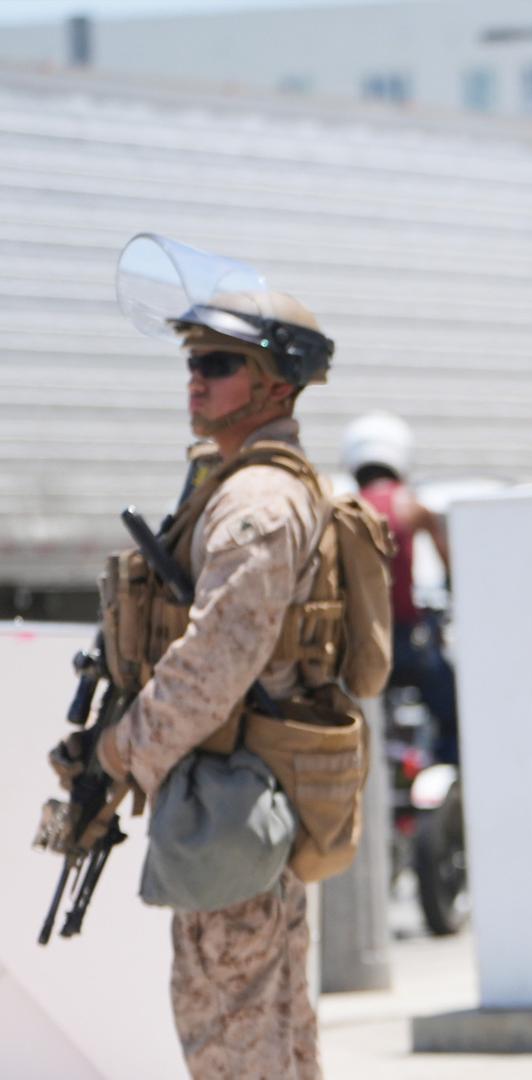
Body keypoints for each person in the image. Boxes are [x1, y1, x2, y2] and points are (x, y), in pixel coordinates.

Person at [56, 236, 360, 1078]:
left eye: (220, 362)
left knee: (235, 1046)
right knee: (274, 1041)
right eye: (192, 359)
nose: (196, 378)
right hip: (233, 802)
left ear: (275, 383)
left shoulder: (257, 504)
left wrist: (116, 754)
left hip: (232, 804)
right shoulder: (235, 486)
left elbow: (212, 664)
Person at [343, 411, 459, 764]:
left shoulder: (344, 511)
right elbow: (450, 564)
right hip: (407, 642)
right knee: (454, 712)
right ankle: (449, 771)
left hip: (358, 647)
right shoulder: (410, 506)